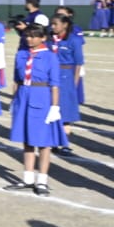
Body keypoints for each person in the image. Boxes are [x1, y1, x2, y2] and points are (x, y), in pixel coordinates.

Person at [4, 23, 67, 196]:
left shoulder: (50, 57)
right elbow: (17, 79)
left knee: (44, 142)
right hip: (24, 96)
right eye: (27, 35)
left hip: (42, 97)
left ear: (43, 38)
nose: (29, 39)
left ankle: (42, 181)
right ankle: (28, 177)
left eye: (33, 36)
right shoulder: (22, 54)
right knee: (27, 140)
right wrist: (14, 100)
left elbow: (55, 85)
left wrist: (54, 107)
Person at [49, 14, 83, 153]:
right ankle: (54, 142)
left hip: (66, 76)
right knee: (52, 108)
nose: (53, 27)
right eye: (52, 24)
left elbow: (78, 63)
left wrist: (74, 82)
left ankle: (65, 143)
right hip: (51, 76)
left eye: (55, 24)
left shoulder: (74, 40)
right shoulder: (50, 39)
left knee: (66, 111)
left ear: (65, 25)